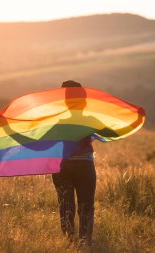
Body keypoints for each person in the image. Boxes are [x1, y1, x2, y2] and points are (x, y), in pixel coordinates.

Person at [52, 80, 96, 246]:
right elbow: (112, 131)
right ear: (83, 101)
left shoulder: (59, 123)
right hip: (85, 168)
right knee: (86, 207)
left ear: (64, 102)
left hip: (63, 168)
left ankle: (69, 243)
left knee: (66, 207)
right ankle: (84, 244)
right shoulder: (90, 120)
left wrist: (8, 129)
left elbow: (39, 142)